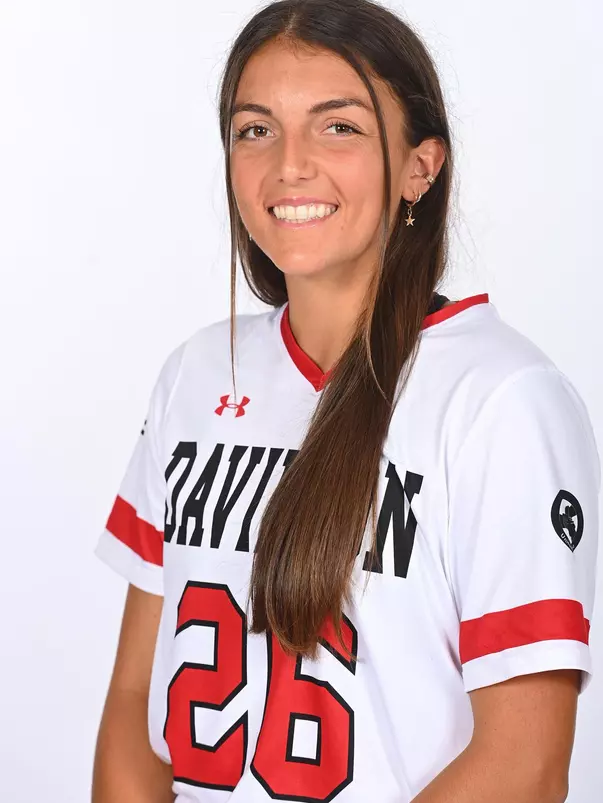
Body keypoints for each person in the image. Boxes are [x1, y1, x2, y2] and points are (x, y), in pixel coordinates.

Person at [91, 1, 600, 802]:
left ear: (419, 167)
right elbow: (132, 699)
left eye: (338, 127)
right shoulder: (195, 374)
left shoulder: (501, 400)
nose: (288, 164)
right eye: (255, 129)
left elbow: (523, 765)